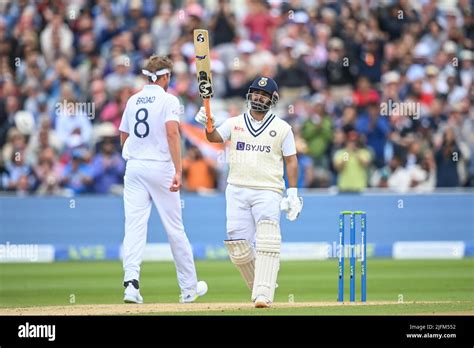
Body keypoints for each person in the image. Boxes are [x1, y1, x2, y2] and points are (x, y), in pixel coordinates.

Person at [194, 76, 303, 308]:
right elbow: (213, 138)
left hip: (268, 190)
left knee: (267, 241)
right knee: (238, 247)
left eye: (264, 95)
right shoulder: (234, 122)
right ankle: (265, 279)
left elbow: (291, 161)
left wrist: (292, 193)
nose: (258, 97)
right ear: (249, 95)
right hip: (236, 189)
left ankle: (263, 294)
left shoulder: (283, 128)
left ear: (273, 99)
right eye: (255, 93)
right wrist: (208, 123)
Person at [118, 55, 207, 304]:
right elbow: (172, 133)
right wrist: (178, 170)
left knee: (134, 227)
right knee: (174, 228)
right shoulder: (169, 100)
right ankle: (189, 288)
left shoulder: (133, 100)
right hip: (160, 167)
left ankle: (131, 285)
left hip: (134, 167)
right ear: (165, 76)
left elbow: (123, 135)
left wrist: (135, 154)